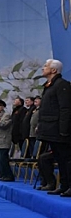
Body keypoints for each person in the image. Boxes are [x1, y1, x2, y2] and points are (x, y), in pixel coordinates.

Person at [36, 59, 71, 197]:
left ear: (54, 70)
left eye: (46, 66)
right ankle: (63, 185)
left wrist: (64, 129)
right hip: (50, 129)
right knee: (59, 158)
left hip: (59, 130)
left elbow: (65, 109)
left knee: (66, 158)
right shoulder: (49, 86)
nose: (43, 68)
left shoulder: (62, 85)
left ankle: (69, 185)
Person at [0, 99, 14, 181]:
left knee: (3, 159)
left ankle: (9, 175)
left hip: (4, 140)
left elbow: (3, 124)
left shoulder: (6, 115)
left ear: (3, 107)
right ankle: (3, 175)